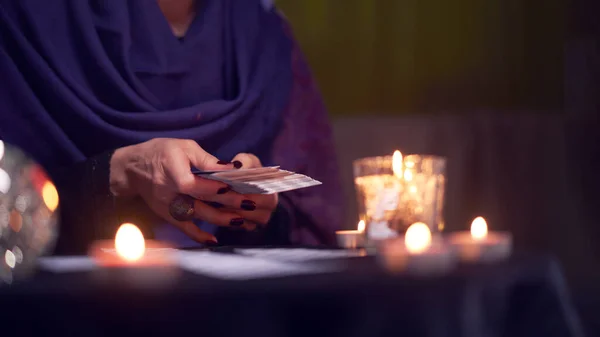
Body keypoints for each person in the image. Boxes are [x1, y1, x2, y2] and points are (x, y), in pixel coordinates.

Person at [0, 0, 343, 254]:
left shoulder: (262, 36)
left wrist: (253, 213)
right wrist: (118, 173)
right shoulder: (25, 22)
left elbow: (308, 230)